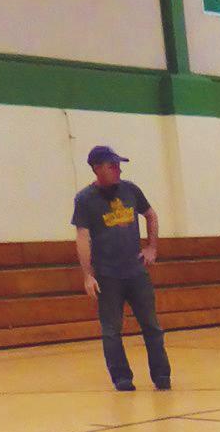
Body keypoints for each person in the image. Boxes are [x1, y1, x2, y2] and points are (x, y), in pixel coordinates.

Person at [71, 144, 171, 392]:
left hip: (136, 272)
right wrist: (88, 275)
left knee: (152, 326)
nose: (118, 170)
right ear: (97, 168)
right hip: (108, 276)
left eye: (118, 165)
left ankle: (161, 375)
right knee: (111, 330)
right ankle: (122, 378)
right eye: (112, 166)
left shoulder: (130, 190)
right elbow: (82, 236)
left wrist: (152, 247)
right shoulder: (85, 199)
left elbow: (151, 215)